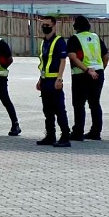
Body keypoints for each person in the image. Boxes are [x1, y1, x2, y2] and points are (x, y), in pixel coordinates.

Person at [67, 15, 108, 141]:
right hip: (98, 74)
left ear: (75, 27)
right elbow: (106, 56)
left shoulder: (74, 39)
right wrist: (99, 70)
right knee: (95, 103)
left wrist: (87, 70)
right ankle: (96, 132)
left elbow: (73, 57)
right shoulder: (96, 38)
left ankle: (78, 132)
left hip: (81, 75)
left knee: (79, 104)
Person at [35, 16, 72, 147]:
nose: (45, 27)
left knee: (59, 109)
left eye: (47, 25)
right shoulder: (44, 42)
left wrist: (59, 78)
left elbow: (63, 60)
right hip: (45, 81)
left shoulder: (59, 41)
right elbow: (43, 63)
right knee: (47, 110)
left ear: (54, 26)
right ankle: (50, 135)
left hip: (54, 80)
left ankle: (65, 136)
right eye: (43, 24)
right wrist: (40, 79)